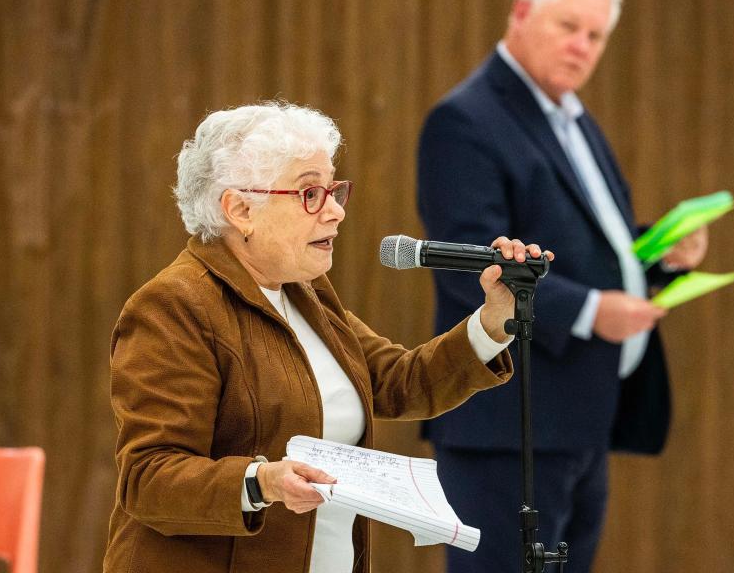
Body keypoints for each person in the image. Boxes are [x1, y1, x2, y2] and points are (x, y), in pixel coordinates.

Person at [102, 101, 552, 573]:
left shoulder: (304, 291)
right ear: (240, 210)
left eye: (334, 189)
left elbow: (400, 382)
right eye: (309, 193)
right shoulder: (175, 305)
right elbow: (148, 479)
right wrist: (261, 481)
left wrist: (495, 319)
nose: (336, 211)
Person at [417, 0, 708, 572]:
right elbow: (472, 261)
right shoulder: (466, 121)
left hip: (579, 422)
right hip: (509, 428)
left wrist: (656, 252)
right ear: (521, 14)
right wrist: (589, 311)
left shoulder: (571, 117)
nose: (583, 47)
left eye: (596, 35)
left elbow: (581, 246)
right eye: (568, 26)